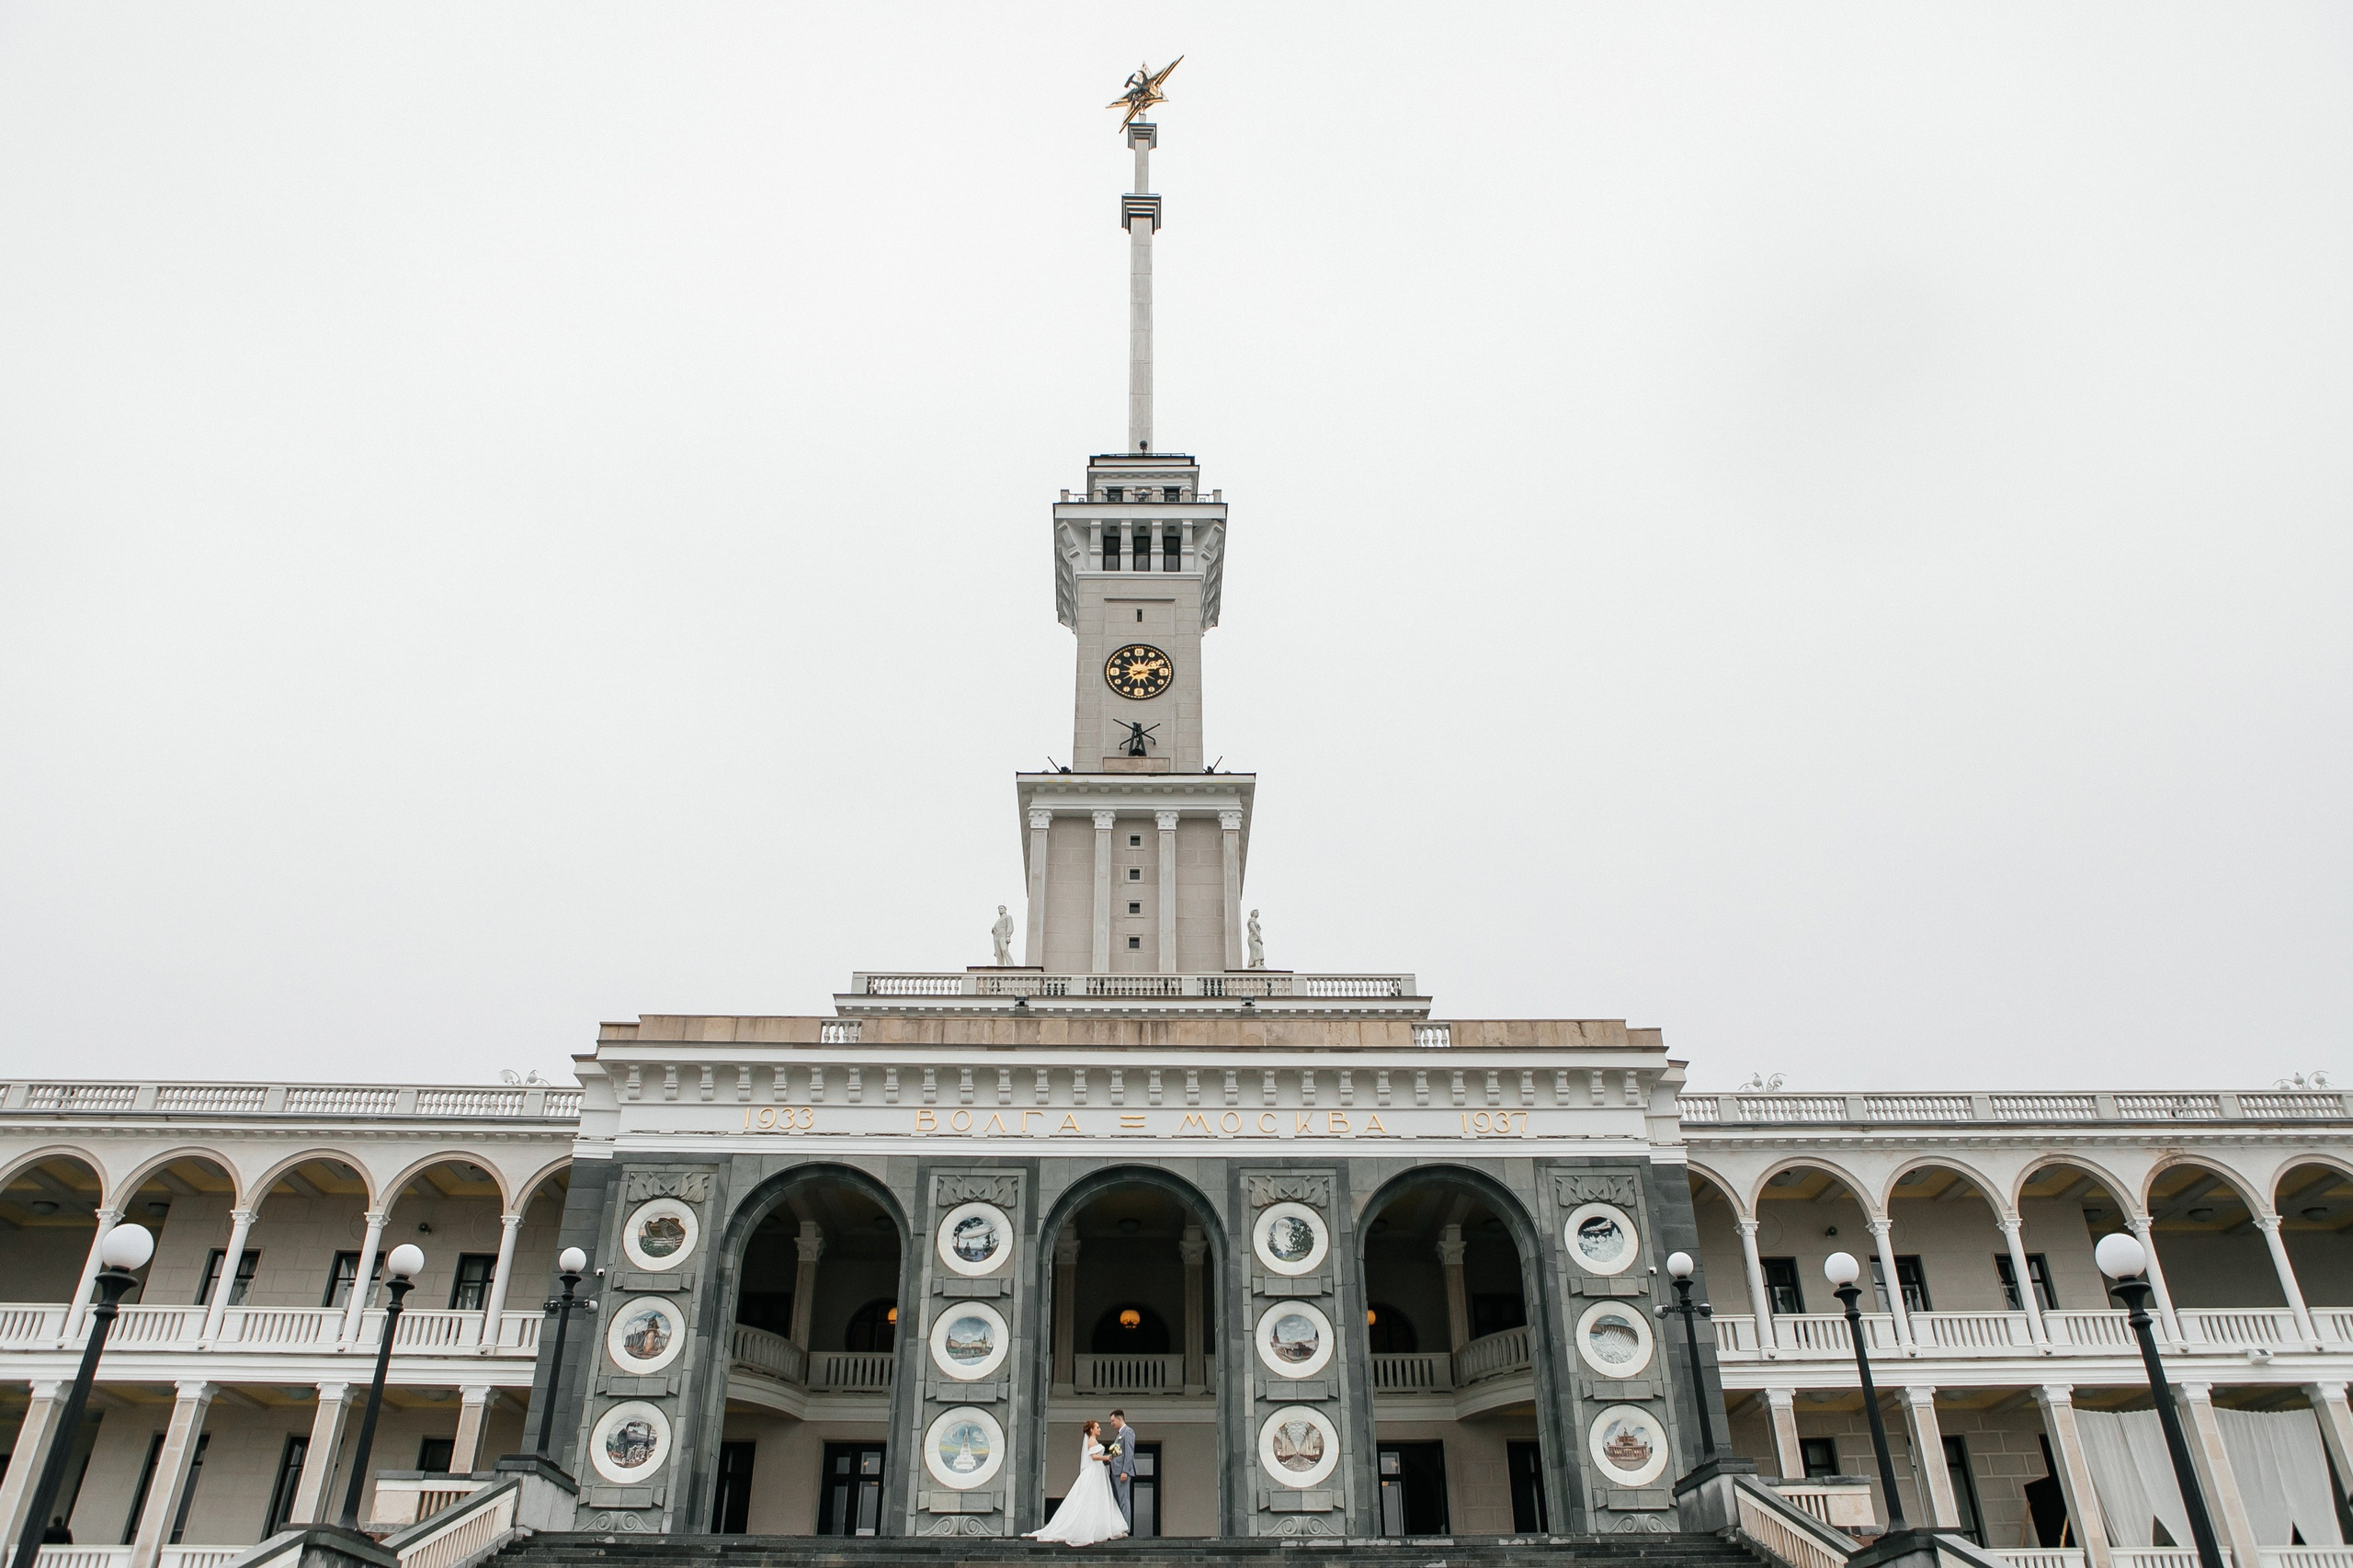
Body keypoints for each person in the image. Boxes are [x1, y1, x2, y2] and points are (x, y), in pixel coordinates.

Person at [1025, 1419, 1127, 1547]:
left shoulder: (1093, 1441)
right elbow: (1093, 1457)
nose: (1100, 1429)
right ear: (1091, 1430)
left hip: (1098, 1471)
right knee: (1092, 1496)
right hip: (1094, 1471)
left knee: (1099, 1497)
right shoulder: (1091, 1440)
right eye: (1098, 1427)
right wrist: (1107, 1457)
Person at [1105, 1409, 1140, 1530]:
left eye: (1113, 1421)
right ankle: (1119, 1526)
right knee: (1118, 1500)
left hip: (1121, 1473)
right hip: (1115, 1471)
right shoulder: (1119, 1434)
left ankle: (1125, 1528)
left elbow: (1129, 1453)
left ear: (1119, 1419)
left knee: (1124, 1500)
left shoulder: (1128, 1432)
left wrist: (1125, 1471)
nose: (1112, 1424)